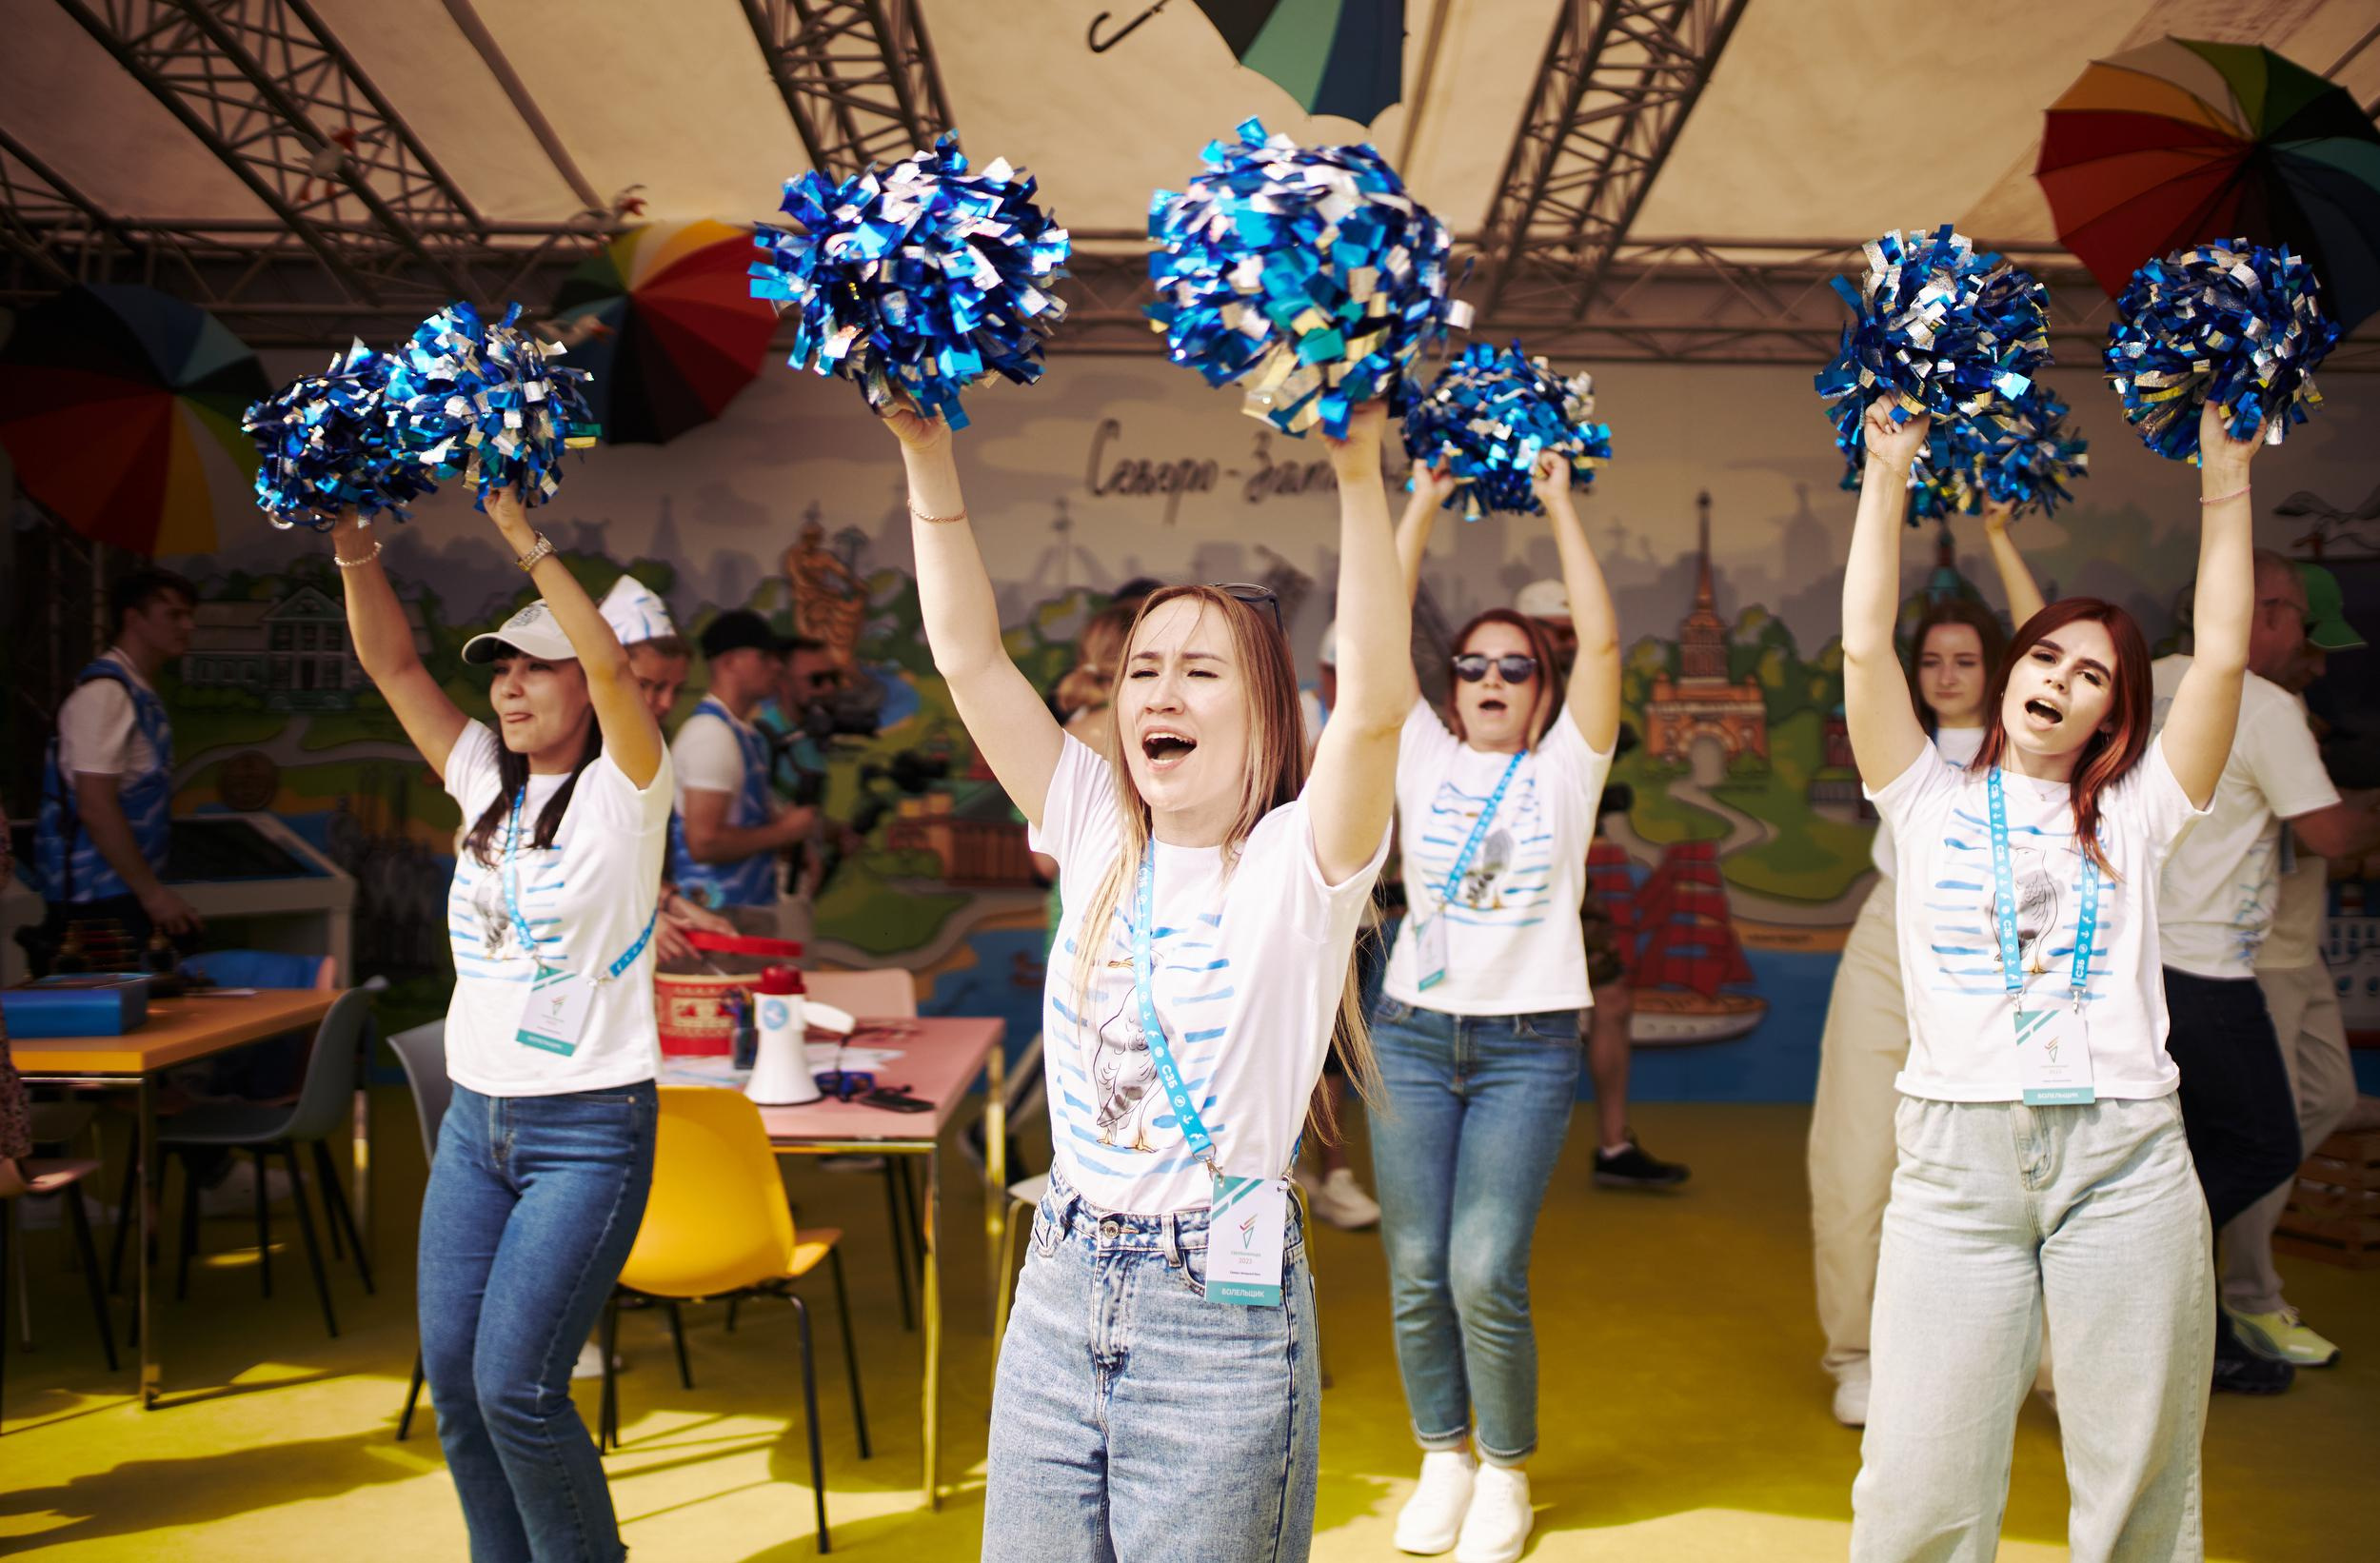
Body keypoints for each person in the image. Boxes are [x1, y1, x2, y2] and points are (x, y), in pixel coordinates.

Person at [884, 396, 1408, 1563]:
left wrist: (1359, 475)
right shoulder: (1088, 820)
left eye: (1200, 672)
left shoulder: (1298, 863)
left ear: (1265, 705)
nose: (1158, 694)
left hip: (1216, 1326)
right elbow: (966, 653)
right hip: (1060, 1281)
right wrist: (927, 451)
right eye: (1140, 672)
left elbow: (1373, 707)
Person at [1841, 399, 2261, 1562]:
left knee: (2134, 1474)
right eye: (2045, 656)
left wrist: (2223, 477)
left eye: (2092, 675)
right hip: (1953, 1167)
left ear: (2113, 713)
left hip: (2123, 1156)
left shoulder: (2139, 807)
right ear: (2012, 669)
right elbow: (1860, 646)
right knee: (1917, 1483)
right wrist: (1886, 473)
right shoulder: (1919, 791)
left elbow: (2219, 652)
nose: (2060, 679)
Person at [331, 490, 670, 1561]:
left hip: (587, 1131)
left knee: (517, 1388)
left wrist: (516, 524)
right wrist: (352, 544)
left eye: (537, 663)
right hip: (477, 1130)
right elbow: (394, 667)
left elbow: (616, 669)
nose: (510, 683)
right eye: (500, 668)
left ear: (583, 676)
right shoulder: (485, 779)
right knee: (459, 1394)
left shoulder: (628, 786)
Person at [1375, 458, 1620, 1563]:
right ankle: (1443, 1455)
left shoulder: (1567, 770)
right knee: (1417, 1263)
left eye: (1511, 667)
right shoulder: (1419, 752)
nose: (1485, 678)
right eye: (1469, 664)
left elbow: (1607, 650)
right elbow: (1376, 633)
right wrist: (1419, 504)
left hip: (1526, 1048)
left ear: (1540, 689)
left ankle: (1507, 1468)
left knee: (1483, 1266)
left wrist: (1560, 501)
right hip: (1411, 1038)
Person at [1808, 497, 2044, 1426]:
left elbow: (2048, 640)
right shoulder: (1896, 737)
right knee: (1858, 1150)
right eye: (1932, 661)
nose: (1946, 675)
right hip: (1890, 938)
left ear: (1998, 669)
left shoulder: (2029, 737)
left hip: (2003, 953)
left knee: (2027, 1158)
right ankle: (1856, 1352)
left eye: (1965, 659)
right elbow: (1862, 644)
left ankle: (2041, 1355)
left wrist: (1996, 537)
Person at [2152, 552, 2380, 1390]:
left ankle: (2198, 1324)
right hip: (2213, 964)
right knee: (2260, 1143)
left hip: (2145, 960)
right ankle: (2166, 1273)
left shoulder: (2145, 680)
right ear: (2269, 613)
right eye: (2300, 628)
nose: (2308, 649)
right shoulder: (2265, 704)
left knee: (2217, 1142)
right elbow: (2326, 835)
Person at [1517, 577, 1690, 1191]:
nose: (1565, 646)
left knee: (1611, 1001)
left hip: (1571, 882)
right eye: (1555, 634)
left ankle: (1613, 1146)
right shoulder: (1496, 698)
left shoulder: (1587, 697)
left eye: (1572, 634)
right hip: (1502, 889)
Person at [33, 567, 202, 954]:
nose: (188, 626)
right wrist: (153, 895)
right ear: (133, 618)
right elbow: (95, 804)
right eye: (173, 615)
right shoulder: (105, 695)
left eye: (190, 615)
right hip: (94, 899)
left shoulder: (138, 692)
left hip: (123, 893)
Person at [1292, 618, 1386, 1232]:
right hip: (1297, 910)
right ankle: (1318, 1173)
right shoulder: (1296, 713)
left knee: (1337, 1051)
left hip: (1360, 913)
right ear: (1326, 672)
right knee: (1307, 1049)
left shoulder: (1384, 726)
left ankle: (1326, 1173)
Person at [598, 574, 733, 972]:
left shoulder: (652, 747)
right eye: (648, 685)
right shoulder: (564, 753)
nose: (664, 703)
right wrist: (638, 920)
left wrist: (672, 904)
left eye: (675, 689)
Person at [666, 610, 819, 950]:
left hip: (740, 915)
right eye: (765, 656)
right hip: (718, 920)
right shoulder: (711, 734)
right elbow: (703, 843)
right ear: (730, 661)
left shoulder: (740, 731)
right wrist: (786, 832)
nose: (777, 667)